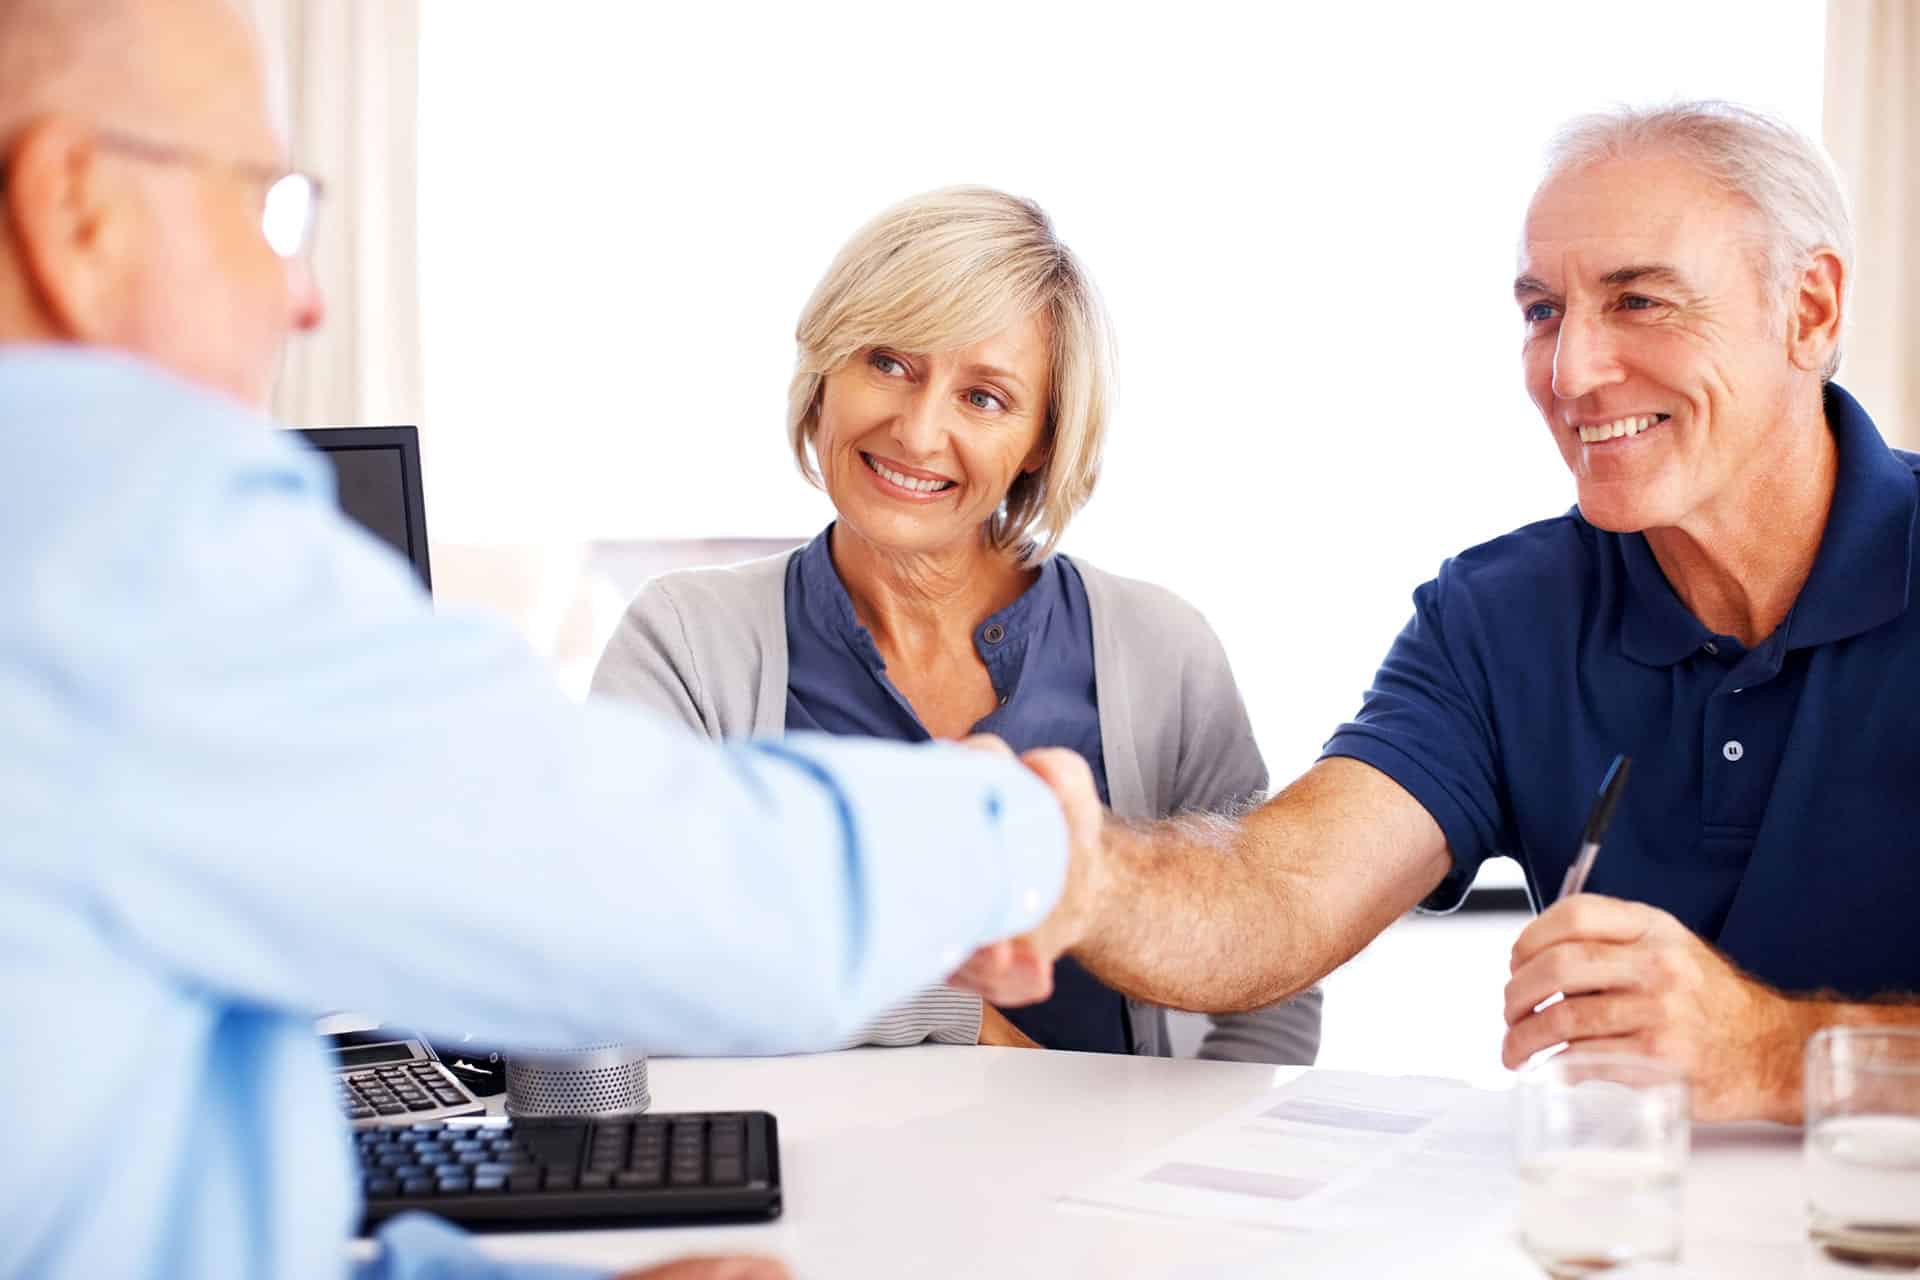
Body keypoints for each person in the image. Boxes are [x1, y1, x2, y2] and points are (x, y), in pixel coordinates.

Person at [0, 2, 1074, 1277]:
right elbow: (658, 898)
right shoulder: (103, 527)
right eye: (266, 206)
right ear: (76, 208)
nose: (303, 294)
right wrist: (1019, 836)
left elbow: (130, 1216)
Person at [955, 101, 1920, 1124]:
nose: (1571, 372)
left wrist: (1773, 1051)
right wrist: (1085, 869)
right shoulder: (1500, 616)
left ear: (1809, 310)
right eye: (1543, 310)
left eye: (1640, 300)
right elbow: (1282, 895)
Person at [592, 187, 1320, 1064]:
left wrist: (1192, 1180)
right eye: (889, 363)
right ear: (826, 372)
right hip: (796, 1188)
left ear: (1042, 440)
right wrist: (951, 1017)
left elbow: (1268, 982)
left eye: (984, 398)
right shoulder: (685, 643)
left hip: (1098, 1190)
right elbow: (618, 952)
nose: (918, 429)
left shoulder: (1163, 652)